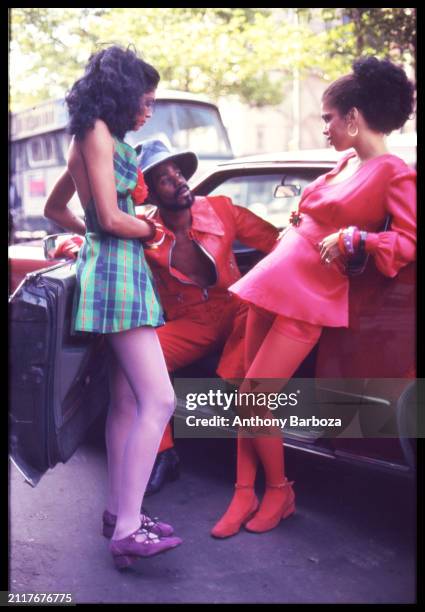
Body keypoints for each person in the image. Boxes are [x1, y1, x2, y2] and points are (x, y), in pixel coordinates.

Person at [210, 56, 416, 538]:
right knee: (246, 391)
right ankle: (243, 492)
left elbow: (408, 240)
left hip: (314, 293)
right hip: (276, 278)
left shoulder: (394, 173)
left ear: (353, 117)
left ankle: (279, 490)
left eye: (328, 117)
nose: (324, 127)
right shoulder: (346, 161)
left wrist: (356, 240)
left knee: (257, 395)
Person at [45, 138, 280, 494]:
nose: (179, 180)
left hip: (235, 307)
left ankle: (243, 417)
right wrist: (63, 243)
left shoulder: (221, 209)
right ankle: (164, 454)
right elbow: (93, 237)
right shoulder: (141, 228)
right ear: (150, 192)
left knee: (249, 333)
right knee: (131, 367)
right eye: (165, 177)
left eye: (178, 172)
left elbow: (275, 241)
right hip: (192, 322)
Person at [44, 45, 182, 570]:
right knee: (160, 400)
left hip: (115, 269)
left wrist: (109, 232)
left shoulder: (88, 135)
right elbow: (107, 216)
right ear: (122, 93)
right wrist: (150, 227)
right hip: (119, 276)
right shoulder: (98, 132)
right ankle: (128, 526)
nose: (147, 112)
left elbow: (57, 209)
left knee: (127, 403)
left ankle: (118, 513)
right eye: (144, 101)